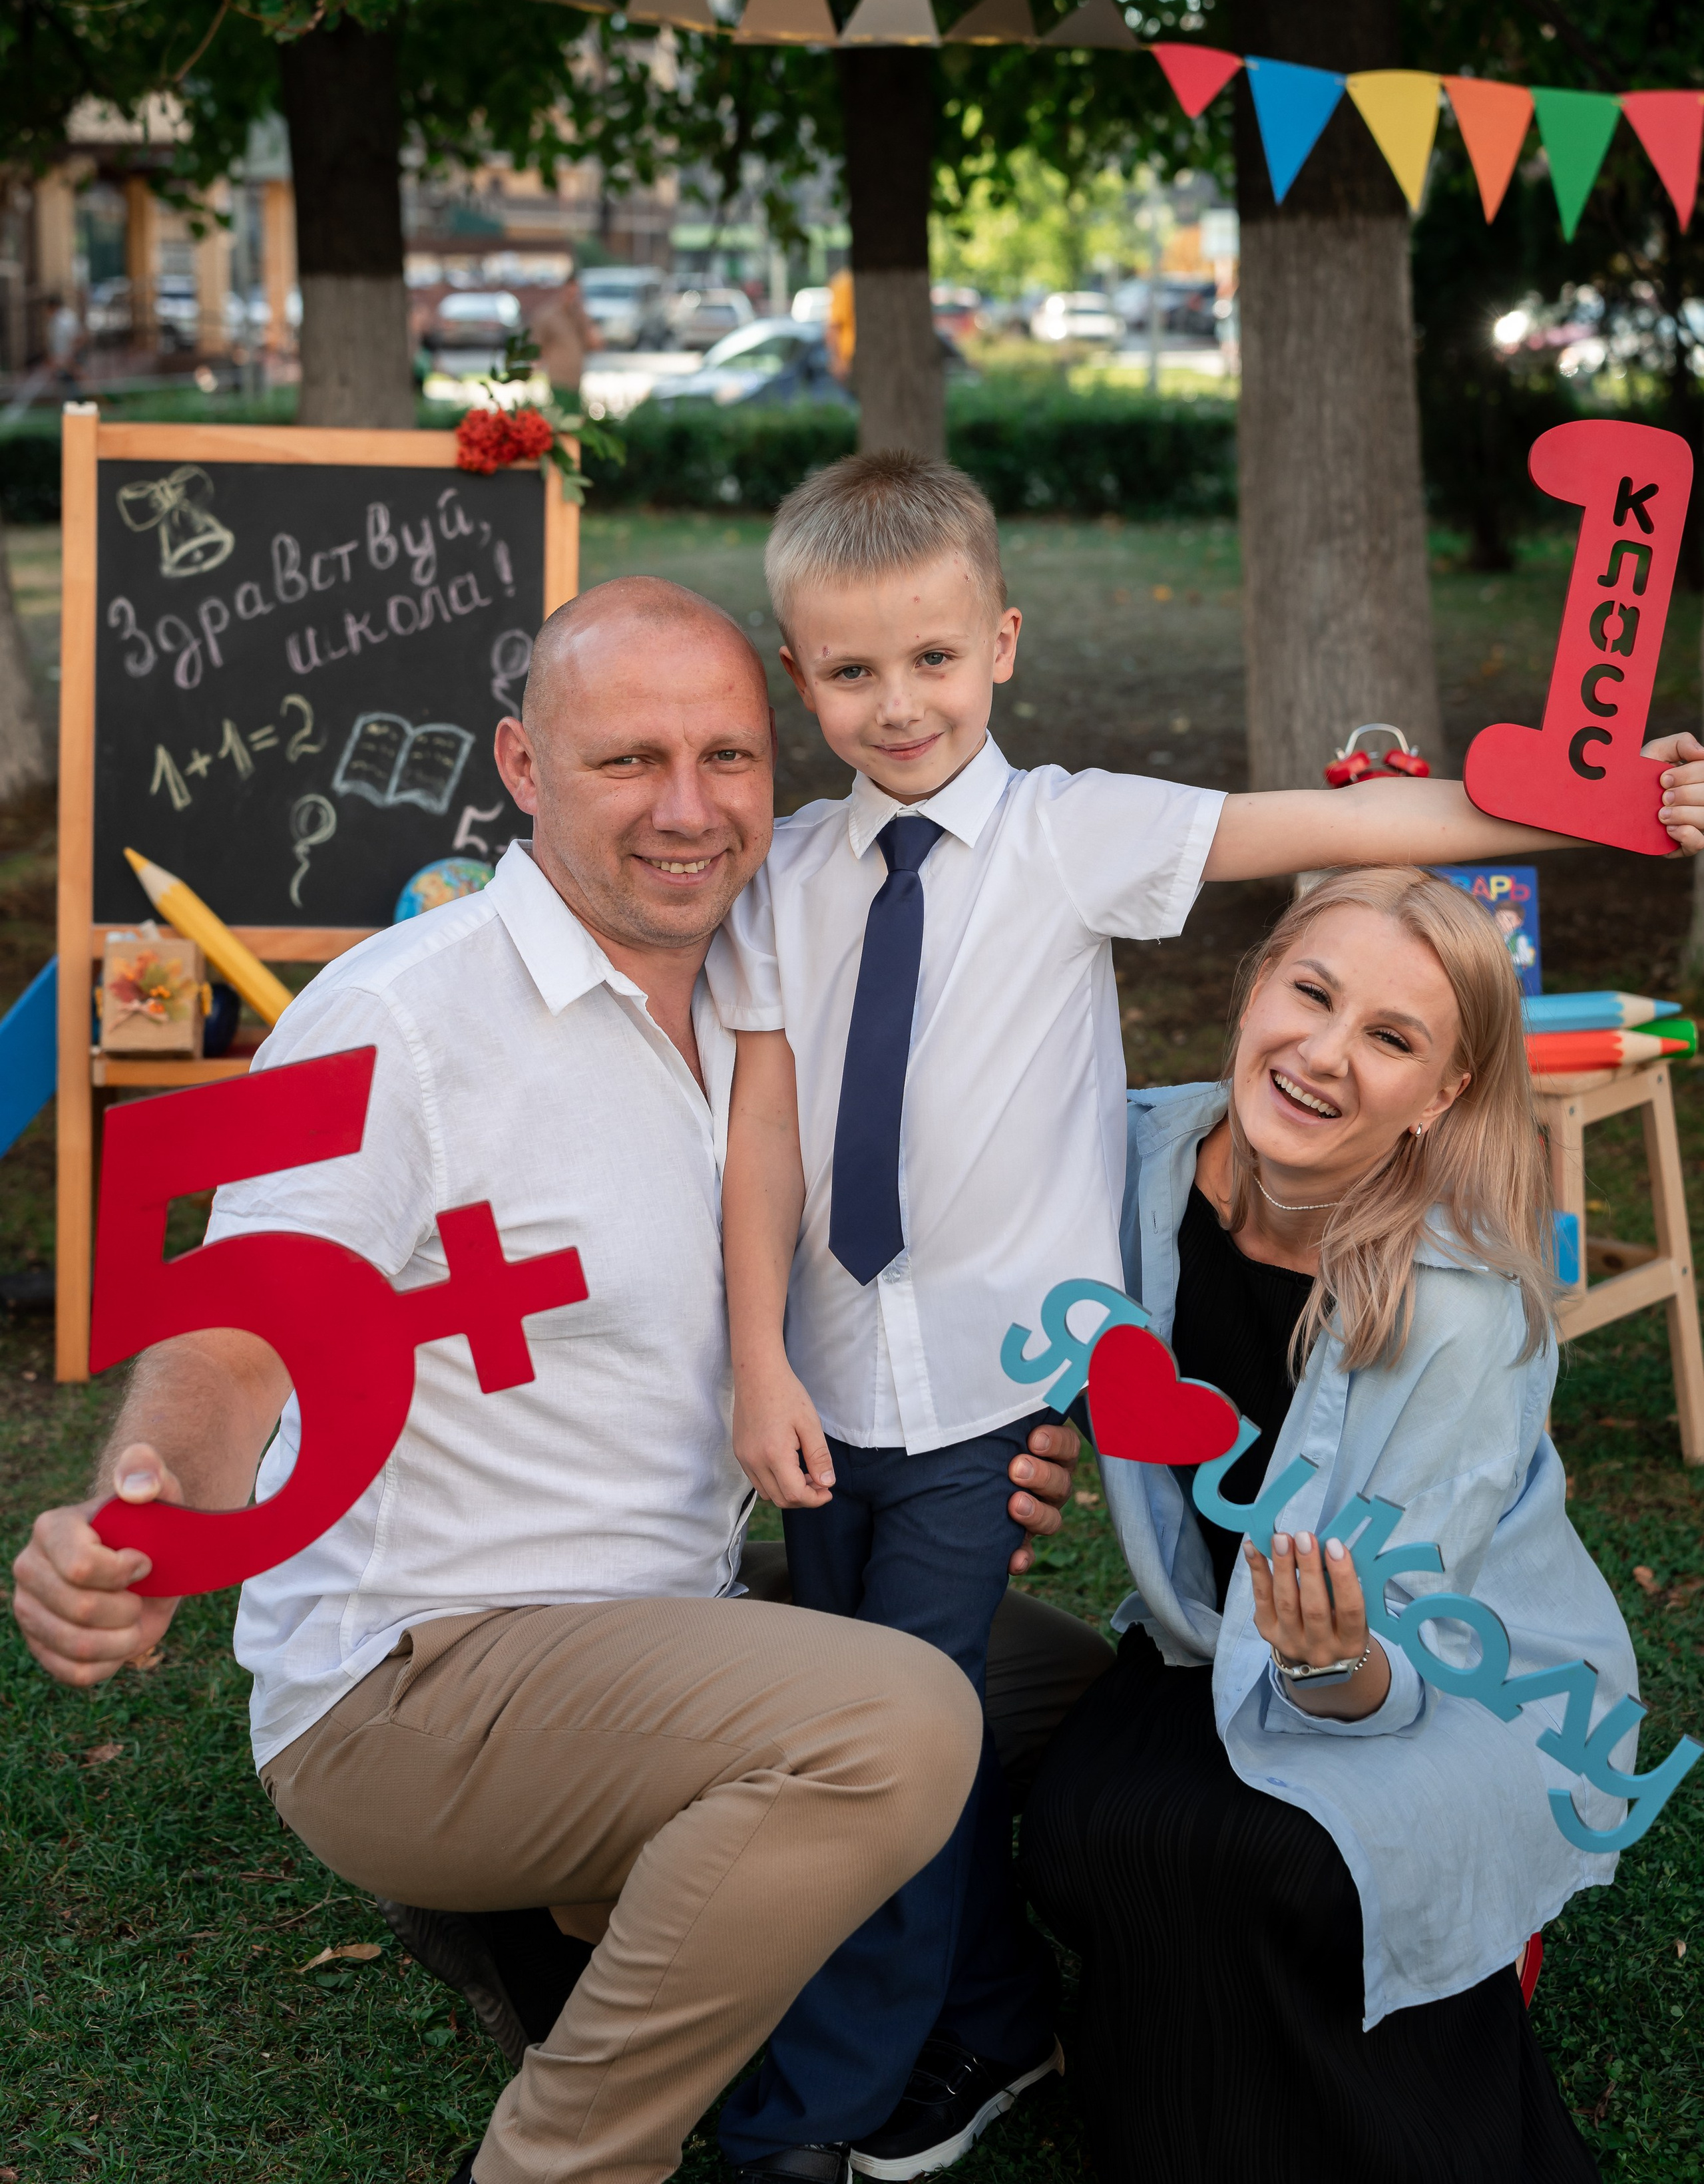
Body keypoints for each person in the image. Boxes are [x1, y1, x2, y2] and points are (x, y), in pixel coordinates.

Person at [10, 576, 1087, 2184]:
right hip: (422, 1677)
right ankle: (574, 2152)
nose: (684, 808)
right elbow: (237, 1334)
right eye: (624, 759)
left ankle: (673, 1906)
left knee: (1066, 1696)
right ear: (519, 763)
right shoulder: (389, 1017)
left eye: (726, 757)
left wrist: (982, 1448)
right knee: (899, 1718)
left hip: (672, 1611)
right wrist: (151, 1502)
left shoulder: (764, 992)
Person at [712, 448, 1704, 2184]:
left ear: (1002, 643)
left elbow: (1341, 826)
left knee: (1003, 1770)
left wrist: (1593, 801)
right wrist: (805, 1363)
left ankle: (859, 2093)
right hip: (964, 1474)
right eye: (852, 669)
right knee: (932, 1753)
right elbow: (814, 1143)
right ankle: (1017, 2024)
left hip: (1362, 1648)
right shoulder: (852, 921)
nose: (898, 702)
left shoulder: (1068, 836)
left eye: (934, 658)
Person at [1022, 865, 1635, 2183]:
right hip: (1208, 1643)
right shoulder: (1115, 1159)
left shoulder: (1461, 1304)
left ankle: (1441, 2093)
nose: (1322, 1054)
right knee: (1086, 1824)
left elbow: (1411, 1632)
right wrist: (1000, 1457)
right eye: (1311, 993)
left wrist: (1336, 1671)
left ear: (1443, 1094)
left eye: (1390, 1038)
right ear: (1254, 986)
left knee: (1290, 1858)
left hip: (1456, 1680)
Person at [531, 260, 602, 405]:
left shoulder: (580, 317)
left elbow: (596, 344)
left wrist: (584, 318)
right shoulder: (548, 316)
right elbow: (538, 346)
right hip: (558, 379)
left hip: (576, 379)